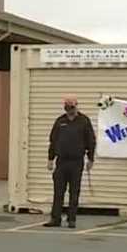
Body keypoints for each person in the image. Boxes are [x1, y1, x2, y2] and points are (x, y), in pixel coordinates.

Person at [46, 95, 96, 228]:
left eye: (72, 107)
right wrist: (50, 159)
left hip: (76, 161)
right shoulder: (60, 121)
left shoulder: (84, 121)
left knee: (74, 192)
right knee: (58, 191)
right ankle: (55, 219)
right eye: (67, 107)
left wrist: (90, 159)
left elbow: (91, 141)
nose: (69, 110)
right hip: (61, 162)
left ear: (76, 106)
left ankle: (71, 219)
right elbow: (53, 141)